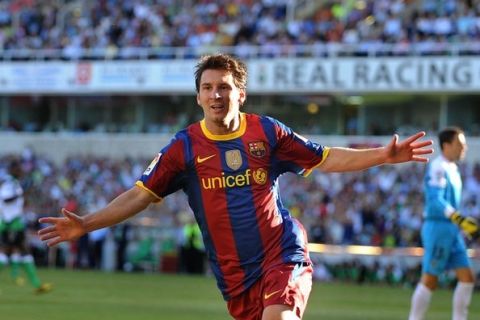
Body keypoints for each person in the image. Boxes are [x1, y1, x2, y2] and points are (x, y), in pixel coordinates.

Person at [38, 54, 433, 320]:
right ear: (198, 97)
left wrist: (382, 154)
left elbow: (325, 157)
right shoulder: (184, 148)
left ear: (240, 94)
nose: (216, 95)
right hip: (235, 278)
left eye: (224, 87)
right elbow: (141, 194)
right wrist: (86, 224)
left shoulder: (267, 131)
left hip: (282, 252)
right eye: (208, 87)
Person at [409, 127, 479, 320]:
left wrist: (458, 221)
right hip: (438, 227)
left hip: (452, 229)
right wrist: (459, 218)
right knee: (430, 280)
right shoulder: (438, 167)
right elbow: (435, 199)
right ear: (446, 146)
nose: (463, 148)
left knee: (467, 278)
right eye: (459, 144)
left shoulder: (453, 168)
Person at [0, 160, 52, 294]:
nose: (21, 171)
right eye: (18, 169)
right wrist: (20, 193)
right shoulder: (9, 183)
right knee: (9, 251)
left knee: (21, 251)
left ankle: (36, 284)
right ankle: (35, 284)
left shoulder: (15, 183)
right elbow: (5, 198)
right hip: (11, 222)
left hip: (13, 222)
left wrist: (24, 194)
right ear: (12, 170)